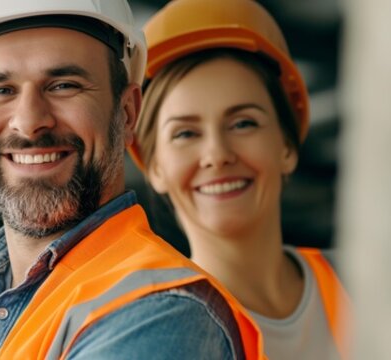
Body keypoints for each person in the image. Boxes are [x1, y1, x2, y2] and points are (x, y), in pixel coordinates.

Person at [0, 0, 265, 358]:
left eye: (64, 85)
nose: (30, 121)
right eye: (0, 90)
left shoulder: (163, 309)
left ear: (128, 112)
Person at [130, 0, 350, 359]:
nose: (217, 154)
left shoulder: (365, 284)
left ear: (287, 147)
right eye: (185, 133)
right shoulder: (154, 334)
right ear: (154, 167)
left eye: (243, 123)